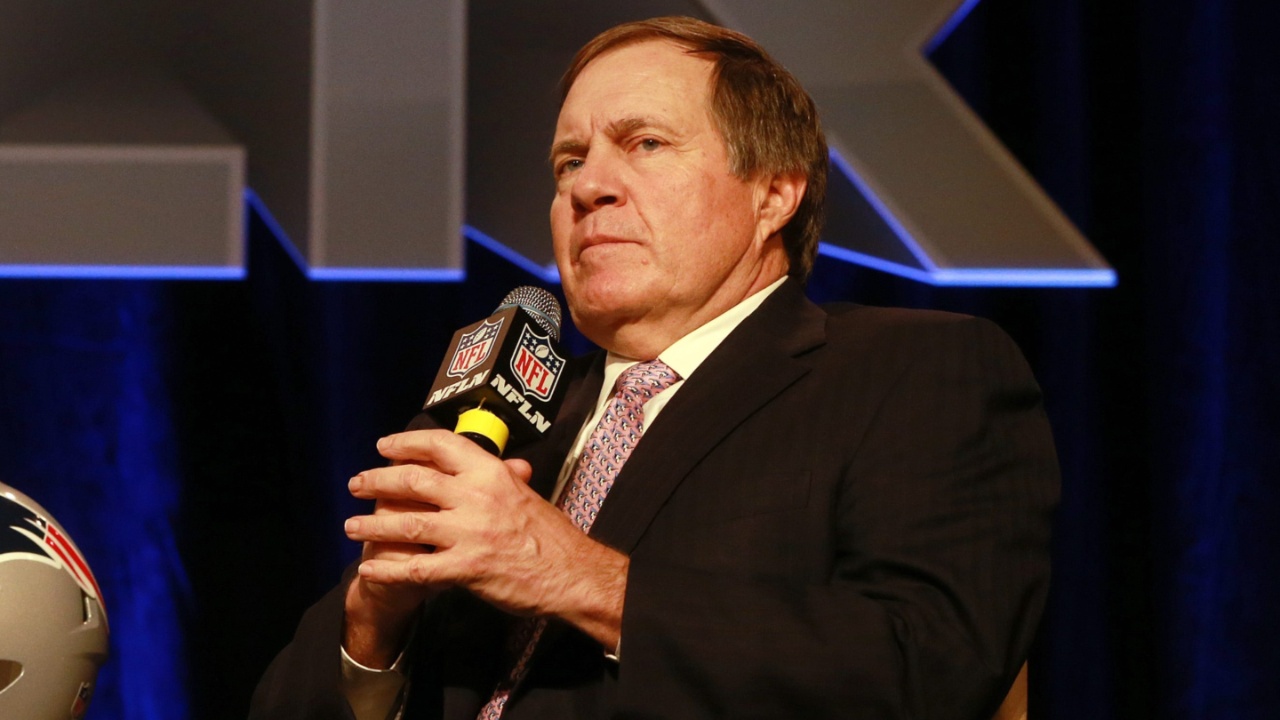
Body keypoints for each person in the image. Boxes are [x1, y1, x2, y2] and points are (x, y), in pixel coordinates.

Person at [250, 16, 1058, 720]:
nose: (590, 187)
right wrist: (374, 628)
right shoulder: (507, 415)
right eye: (569, 161)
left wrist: (582, 579)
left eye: (646, 144)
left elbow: (931, 667)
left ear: (774, 193)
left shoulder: (910, 371)